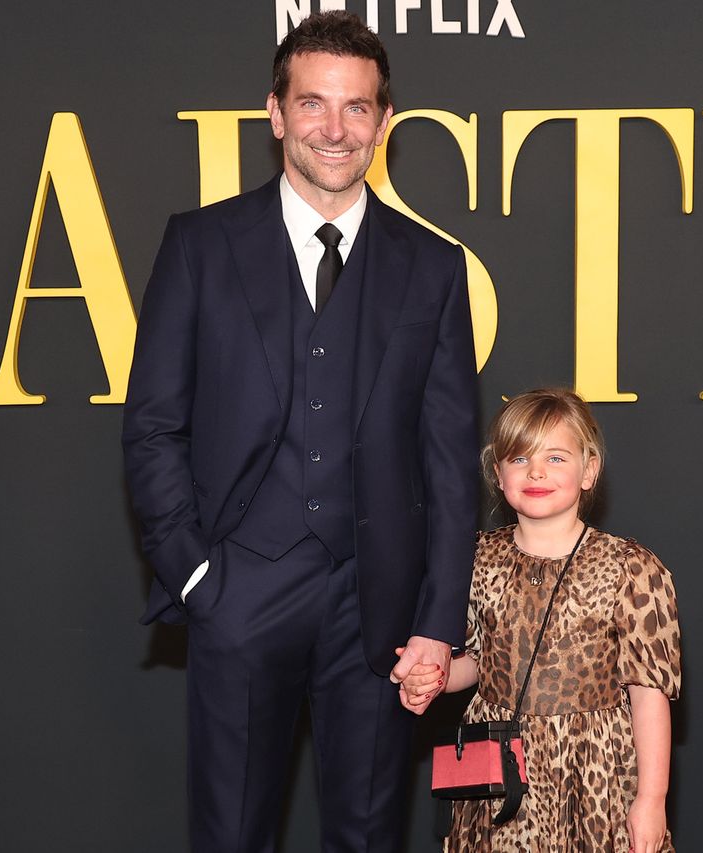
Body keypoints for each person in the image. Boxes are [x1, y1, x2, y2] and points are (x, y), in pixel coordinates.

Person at [121, 11, 479, 852]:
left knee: (369, 835)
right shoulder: (200, 246)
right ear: (275, 113)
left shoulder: (432, 267)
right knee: (232, 833)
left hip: (381, 611)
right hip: (240, 589)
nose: (335, 128)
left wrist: (436, 619)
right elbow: (152, 427)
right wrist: (202, 579)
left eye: (357, 108)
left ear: (384, 123)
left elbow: (450, 461)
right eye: (313, 103)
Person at [399, 389, 682, 853]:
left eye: (555, 457)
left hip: (595, 775)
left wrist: (651, 799)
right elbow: (477, 661)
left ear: (589, 470)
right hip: (497, 775)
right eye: (519, 458)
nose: (536, 472)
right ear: (497, 472)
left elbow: (649, 696)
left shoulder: (630, 567)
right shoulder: (472, 558)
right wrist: (436, 676)